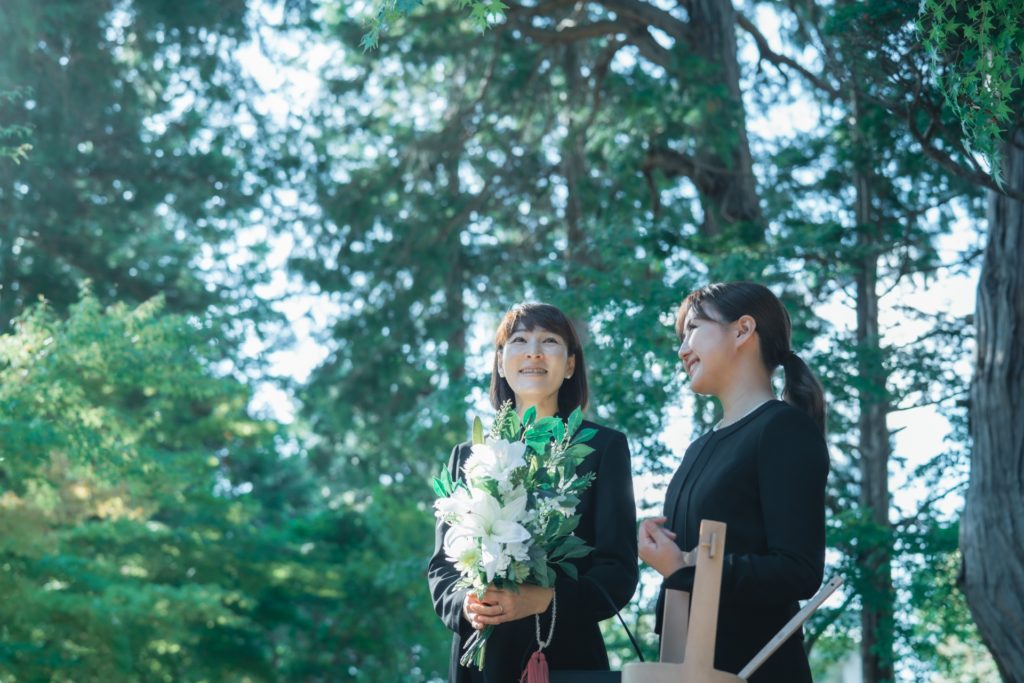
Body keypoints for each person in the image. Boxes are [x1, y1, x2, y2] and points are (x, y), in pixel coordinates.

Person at [428, 302, 639, 683]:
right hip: (481, 662)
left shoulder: (603, 448)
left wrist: (545, 599)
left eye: (550, 341)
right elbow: (442, 568)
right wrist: (466, 605)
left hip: (564, 654)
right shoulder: (468, 455)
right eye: (520, 340)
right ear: (500, 362)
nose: (534, 352)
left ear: (570, 365)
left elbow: (618, 572)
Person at [638, 282, 829, 682]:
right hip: (684, 667)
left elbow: (799, 569)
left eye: (693, 329)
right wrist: (667, 552)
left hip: (756, 670)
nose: (682, 349)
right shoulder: (697, 448)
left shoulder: (784, 429)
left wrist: (685, 568)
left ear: (742, 330)